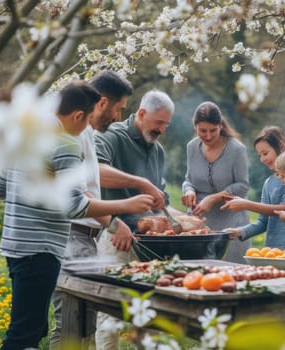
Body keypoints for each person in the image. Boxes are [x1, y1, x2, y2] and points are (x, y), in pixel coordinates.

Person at [0, 81, 154, 350]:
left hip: (15, 245)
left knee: (31, 327)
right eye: (89, 120)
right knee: (24, 334)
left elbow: (1, 188)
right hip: (41, 248)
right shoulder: (67, 142)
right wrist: (127, 205)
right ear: (78, 115)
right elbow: (74, 206)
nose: (88, 129)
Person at [49, 71, 134, 349]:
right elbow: (79, 193)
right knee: (71, 325)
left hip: (84, 237)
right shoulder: (76, 133)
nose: (119, 118)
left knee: (84, 324)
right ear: (102, 102)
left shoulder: (85, 133)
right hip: (71, 236)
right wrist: (114, 222)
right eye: (119, 109)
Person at [93, 89, 176, 349]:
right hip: (116, 236)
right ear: (141, 113)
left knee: (148, 312)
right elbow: (95, 172)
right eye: (158, 122)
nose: (162, 129)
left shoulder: (158, 150)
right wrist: (139, 182)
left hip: (150, 243)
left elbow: (161, 201)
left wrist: (183, 220)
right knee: (111, 312)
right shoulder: (111, 135)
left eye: (166, 124)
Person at [181, 101, 250, 264]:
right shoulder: (191, 147)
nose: (209, 136)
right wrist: (189, 190)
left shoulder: (236, 149)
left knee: (232, 275)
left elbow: (243, 186)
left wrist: (213, 198)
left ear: (220, 126)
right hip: (200, 226)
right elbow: (188, 180)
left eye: (213, 130)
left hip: (231, 225)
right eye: (202, 131)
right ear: (195, 127)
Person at [223, 126, 285, 250]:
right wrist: (239, 231)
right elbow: (263, 222)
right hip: (274, 252)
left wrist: (246, 204)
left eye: (265, 153)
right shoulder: (269, 183)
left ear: (281, 147)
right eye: (259, 155)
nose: (262, 159)